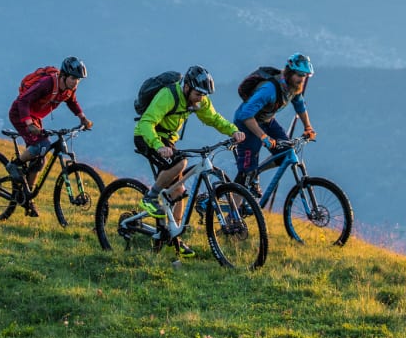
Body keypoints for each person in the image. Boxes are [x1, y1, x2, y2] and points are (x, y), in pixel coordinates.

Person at [135, 65, 244, 259]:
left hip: (168, 140)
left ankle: (173, 237)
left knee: (179, 192)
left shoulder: (198, 100)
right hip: (148, 136)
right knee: (181, 163)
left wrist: (232, 131)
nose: (201, 98)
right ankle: (150, 197)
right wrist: (158, 145)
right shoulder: (168, 96)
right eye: (198, 93)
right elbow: (146, 122)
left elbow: (214, 118)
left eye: (204, 94)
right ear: (186, 87)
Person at [8, 56, 93, 216]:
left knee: (40, 160)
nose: (76, 82)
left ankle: (27, 198)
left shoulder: (69, 89)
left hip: (35, 118)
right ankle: (15, 165)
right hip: (20, 114)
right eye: (74, 78)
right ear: (64, 75)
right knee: (41, 146)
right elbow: (23, 101)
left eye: (79, 80)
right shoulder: (47, 83)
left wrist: (82, 118)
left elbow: (71, 101)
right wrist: (28, 124)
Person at [233, 54, 316, 193]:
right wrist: (263, 136)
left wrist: (308, 127)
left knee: (286, 153)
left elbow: (300, 106)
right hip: (246, 123)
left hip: (266, 120)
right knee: (246, 171)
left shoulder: (294, 87)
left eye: (305, 75)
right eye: (299, 74)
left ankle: (255, 172)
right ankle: (232, 213)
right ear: (290, 72)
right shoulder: (269, 89)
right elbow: (245, 115)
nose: (302, 79)